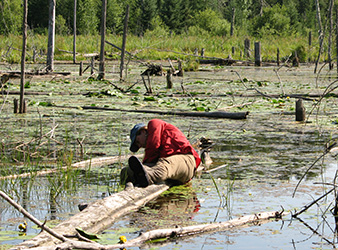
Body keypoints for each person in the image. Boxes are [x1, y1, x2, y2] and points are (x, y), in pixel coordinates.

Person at [122, 119, 201, 187]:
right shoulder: (156, 153)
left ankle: (145, 178)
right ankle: (141, 177)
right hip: (171, 166)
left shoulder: (154, 123)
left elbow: (153, 144)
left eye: (138, 142)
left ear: (142, 131)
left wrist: (144, 165)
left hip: (186, 161)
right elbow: (152, 155)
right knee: (126, 171)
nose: (140, 146)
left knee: (163, 167)